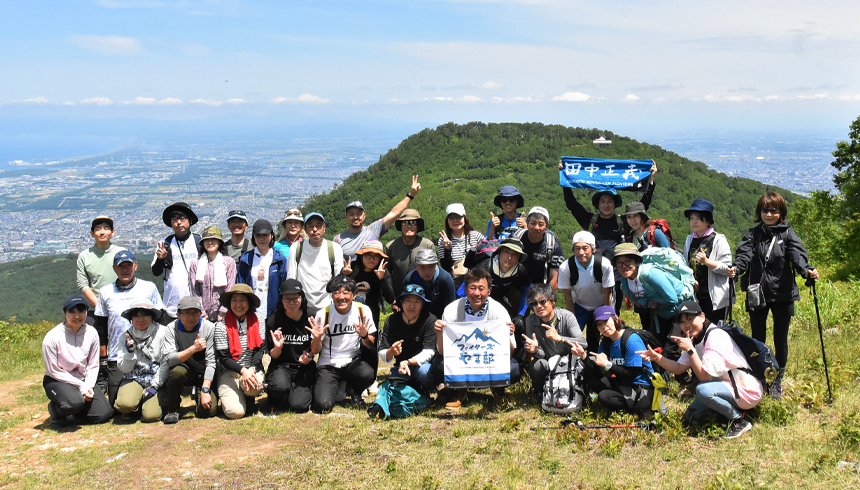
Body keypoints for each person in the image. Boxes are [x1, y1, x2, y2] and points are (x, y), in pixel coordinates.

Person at [729, 192, 818, 399]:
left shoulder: (787, 235)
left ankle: (777, 380)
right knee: (758, 338)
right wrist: (736, 268)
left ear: (781, 212)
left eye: (773, 210)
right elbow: (744, 256)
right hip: (757, 293)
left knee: (780, 338)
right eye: (765, 210)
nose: (768, 214)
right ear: (759, 212)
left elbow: (798, 257)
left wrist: (806, 270)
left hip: (782, 293)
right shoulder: (752, 234)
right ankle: (761, 376)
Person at [638, 301, 763, 438]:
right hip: (727, 387)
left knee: (702, 390)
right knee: (690, 417)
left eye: (691, 319)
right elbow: (679, 368)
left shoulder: (714, 336)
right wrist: (657, 358)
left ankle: (739, 420)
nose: (687, 325)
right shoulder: (695, 340)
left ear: (702, 316)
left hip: (746, 389)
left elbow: (704, 377)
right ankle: (725, 414)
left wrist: (690, 351)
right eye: (682, 322)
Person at [433, 268, 521, 408]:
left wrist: (507, 336)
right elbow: (443, 352)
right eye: (472, 288)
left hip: (488, 360)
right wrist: (439, 332)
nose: (477, 293)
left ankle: (498, 390)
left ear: (489, 291)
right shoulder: (452, 310)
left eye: (481, 288)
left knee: (513, 369)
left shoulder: (499, 310)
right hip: (463, 360)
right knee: (439, 365)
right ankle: (459, 391)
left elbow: (509, 354)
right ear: (465, 289)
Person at [93, 250, 164, 405]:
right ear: (114, 268)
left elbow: (160, 317)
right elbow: (101, 327)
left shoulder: (149, 287)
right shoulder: (105, 292)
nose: (125, 269)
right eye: (121, 266)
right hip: (117, 354)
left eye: (129, 265)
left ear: (136, 266)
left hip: (149, 353)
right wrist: (103, 358)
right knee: (116, 405)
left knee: (147, 402)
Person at [569, 306, 656, 418]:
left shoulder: (631, 340)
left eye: (605, 321)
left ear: (616, 318)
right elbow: (599, 373)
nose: (603, 327)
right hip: (622, 384)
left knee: (604, 397)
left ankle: (638, 410)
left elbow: (631, 374)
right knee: (591, 377)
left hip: (641, 388)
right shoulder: (606, 343)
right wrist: (583, 356)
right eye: (599, 324)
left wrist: (608, 364)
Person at [367, 284, 438, 419]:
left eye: (417, 301)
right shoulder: (392, 320)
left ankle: (427, 391)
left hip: (421, 365)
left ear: (422, 304)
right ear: (401, 302)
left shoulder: (429, 320)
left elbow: (429, 351)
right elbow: (382, 351)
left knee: (424, 373)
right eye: (408, 301)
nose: (412, 305)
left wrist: (408, 362)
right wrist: (391, 352)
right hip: (400, 369)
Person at [310, 274, 378, 413]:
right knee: (324, 405)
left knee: (367, 373)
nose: (341, 297)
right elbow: (315, 350)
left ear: (353, 295)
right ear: (332, 296)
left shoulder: (363, 311)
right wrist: (316, 338)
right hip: (329, 364)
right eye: (337, 293)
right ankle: (340, 388)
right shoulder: (323, 314)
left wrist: (364, 335)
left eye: (345, 293)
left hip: (353, 363)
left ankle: (354, 390)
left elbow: (370, 344)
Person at [42, 295, 112, 427]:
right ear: (64, 313)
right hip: (58, 380)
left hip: (83, 379)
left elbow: (93, 364)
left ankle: (77, 408)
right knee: (74, 402)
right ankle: (56, 408)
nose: (77, 316)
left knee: (103, 414)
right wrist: (81, 387)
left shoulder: (91, 333)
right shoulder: (52, 337)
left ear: (86, 312)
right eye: (72, 312)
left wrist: (89, 386)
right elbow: (53, 370)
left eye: (81, 311)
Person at [560, 161, 658, 255]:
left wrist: (651, 180)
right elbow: (572, 204)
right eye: (602, 202)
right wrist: (565, 179)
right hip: (596, 269)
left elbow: (642, 206)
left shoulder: (622, 222)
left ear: (615, 204)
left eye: (610, 201)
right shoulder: (590, 221)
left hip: (618, 269)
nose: (606, 205)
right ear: (598, 205)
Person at [461, 238, 532, 362]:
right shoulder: (484, 267)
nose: (509, 257)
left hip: (502, 300)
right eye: (506, 252)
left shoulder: (521, 271)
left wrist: (521, 315)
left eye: (514, 254)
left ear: (519, 258)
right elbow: (463, 290)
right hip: (479, 300)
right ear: (499, 253)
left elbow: (528, 291)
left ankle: (516, 363)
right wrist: (464, 312)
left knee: (518, 327)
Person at [522, 284, 587, 401]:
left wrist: (560, 338)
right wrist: (535, 350)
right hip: (549, 363)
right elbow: (541, 356)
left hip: (570, 362)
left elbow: (583, 343)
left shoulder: (567, 316)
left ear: (553, 301)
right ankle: (540, 392)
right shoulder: (530, 320)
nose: (539, 306)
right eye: (534, 303)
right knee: (537, 365)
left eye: (542, 301)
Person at [160, 296, 218, 425]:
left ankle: (201, 394)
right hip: (184, 369)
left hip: (203, 373)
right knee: (176, 373)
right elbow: (170, 360)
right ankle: (172, 409)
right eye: (187, 313)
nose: (191, 317)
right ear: (178, 315)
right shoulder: (171, 328)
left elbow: (211, 362)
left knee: (207, 412)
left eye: (195, 313)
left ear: (201, 314)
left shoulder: (208, 327)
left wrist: (205, 390)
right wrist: (193, 349)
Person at [334, 175, 422, 260]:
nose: (355, 217)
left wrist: (411, 195)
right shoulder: (339, 239)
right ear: (346, 217)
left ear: (364, 215)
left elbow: (394, 213)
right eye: (351, 214)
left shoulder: (373, 230)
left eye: (359, 213)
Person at [613, 243, 685, 346]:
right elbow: (637, 302)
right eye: (619, 263)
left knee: (671, 349)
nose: (624, 266)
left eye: (628, 261)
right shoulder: (625, 283)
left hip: (679, 311)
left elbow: (672, 299)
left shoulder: (652, 275)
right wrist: (646, 302)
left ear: (636, 261)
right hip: (660, 313)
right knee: (655, 345)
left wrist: (650, 302)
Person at [214, 284, 267, 419]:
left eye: (242, 300)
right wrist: (243, 371)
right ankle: (236, 396)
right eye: (234, 300)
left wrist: (251, 369)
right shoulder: (221, 326)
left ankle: (247, 396)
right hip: (229, 373)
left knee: (253, 388)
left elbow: (260, 350)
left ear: (249, 302)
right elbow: (223, 358)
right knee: (235, 413)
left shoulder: (259, 321)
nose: (238, 304)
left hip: (252, 369)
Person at [558, 231, 615, 352]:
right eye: (577, 249)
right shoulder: (566, 268)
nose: (581, 252)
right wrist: (571, 318)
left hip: (600, 304)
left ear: (593, 249)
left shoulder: (603, 265)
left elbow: (607, 293)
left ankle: (599, 358)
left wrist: (605, 315)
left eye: (585, 248)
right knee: (573, 337)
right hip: (579, 305)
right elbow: (567, 296)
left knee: (597, 336)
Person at [265, 279, 315, 413]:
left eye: (295, 298)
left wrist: (310, 354)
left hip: (304, 367)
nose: (291, 303)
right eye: (287, 299)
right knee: (279, 387)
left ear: (302, 298)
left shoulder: (311, 317)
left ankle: (293, 393)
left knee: (298, 406)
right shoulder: (274, 319)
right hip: (282, 366)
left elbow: (316, 349)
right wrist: (278, 347)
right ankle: (277, 395)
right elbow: (273, 355)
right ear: (281, 300)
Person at [113, 303, 166, 422]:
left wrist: (155, 385)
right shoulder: (124, 337)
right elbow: (125, 369)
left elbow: (166, 363)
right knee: (124, 405)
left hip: (157, 378)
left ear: (152, 316)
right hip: (134, 377)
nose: (141, 319)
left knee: (151, 416)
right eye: (136, 316)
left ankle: (149, 403)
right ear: (131, 319)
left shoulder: (162, 332)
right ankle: (135, 404)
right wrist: (130, 353)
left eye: (145, 315)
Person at [683, 199, 733, 324]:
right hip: (695, 297)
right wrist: (690, 280)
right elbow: (685, 265)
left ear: (708, 220)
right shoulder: (690, 239)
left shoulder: (718, 239)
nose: (694, 222)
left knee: (715, 333)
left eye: (699, 218)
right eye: (691, 218)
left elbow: (727, 268)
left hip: (715, 300)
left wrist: (706, 261)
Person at [287, 212, 344, 317]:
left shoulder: (334, 248)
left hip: (327, 305)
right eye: (311, 226)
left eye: (318, 225)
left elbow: (338, 280)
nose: (315, 229)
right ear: (305, 229)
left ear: (324, 228)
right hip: (302, 306)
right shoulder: (296, 248)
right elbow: (291, 278)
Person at [152, 202, 202, 322]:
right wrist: (160, 259)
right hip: (173, 306)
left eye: (182, 218)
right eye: (174, 219)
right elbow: (156, 271)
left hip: (196, 303)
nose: (178, 222)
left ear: (190, 220)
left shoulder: (199, 242)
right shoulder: (165, 243)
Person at [237, 219, 288, 323]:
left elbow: (283, 287)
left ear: (271, 236)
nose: (262, 239)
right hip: (250, 314)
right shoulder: (246, 259)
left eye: (265, 235)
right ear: (253, 237)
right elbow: (240, 286)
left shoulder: (279, 259)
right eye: (258, 235)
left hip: (274, 314)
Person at [76, 216, 124, 316]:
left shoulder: (121, 253)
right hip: (95, 309)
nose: (102, 232)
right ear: (92, 234)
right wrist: (99, 305)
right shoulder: (84, 256)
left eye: (106, 228)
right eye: (98, 229)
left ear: (113, 232)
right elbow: (82, 284)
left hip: (121, 305)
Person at [188, 226, 237, 322]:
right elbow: (194, 290)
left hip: (224, 315)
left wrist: (223, 310)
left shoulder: (228, 262)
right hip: (202, 316)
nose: (210, 243)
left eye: (214, 239)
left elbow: (230, 288)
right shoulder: (195, 264)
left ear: (219, 242)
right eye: (207, 240)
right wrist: (201, 312)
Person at [343, 240, 395, 328]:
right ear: (361, 256)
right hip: (349, 314)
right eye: (368, 255)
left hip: (371, 316)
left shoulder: (382, 271)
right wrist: (344, 276)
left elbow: (390, 299)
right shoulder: (351, 268)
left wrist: (381, 279)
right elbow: (330, 288)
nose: (372, 259)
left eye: (376, 256)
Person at [385, 209, 436, 294]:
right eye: (405, 223)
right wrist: (392, 297)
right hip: (400, 295)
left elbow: (434, 270)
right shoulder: (391, 246)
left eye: (413, 223)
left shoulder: (427, 245)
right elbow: (388, 274)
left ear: (418, 226)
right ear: (401, 226)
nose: (409, 226)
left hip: (424, 294)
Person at [511, 206, 564, 289]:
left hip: (540, 290)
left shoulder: (553, 246)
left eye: (541, 224)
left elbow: (554, 278)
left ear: (546, 227)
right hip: (515, 287)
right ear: (527, 224)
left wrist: (547, 298)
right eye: (533, 223)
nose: (536, 227)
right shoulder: (516, 238)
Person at [437, 203, 485, 289]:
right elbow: (446, 267)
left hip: (476, 281)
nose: (455, 220)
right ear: (447, 221)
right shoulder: (443, 240)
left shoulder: (476, 236)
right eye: (451, 218)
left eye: (458, 217)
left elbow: (485, 258)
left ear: (464, 218)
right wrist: (447, 249)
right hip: (455, 283)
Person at [402, 249, 457, 320]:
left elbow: (451, 307)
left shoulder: (445, 279)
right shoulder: (410, 279)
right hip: (417, 320)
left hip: (441, 320)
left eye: (431, 266)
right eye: (422, 267)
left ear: (436, 265)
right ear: (416, 266)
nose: (427, 272)